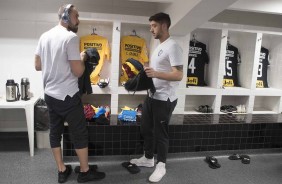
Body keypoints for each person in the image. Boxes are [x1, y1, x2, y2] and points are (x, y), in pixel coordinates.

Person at [34, 4, 105, 183]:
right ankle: (84, 171)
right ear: (66, 16)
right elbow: (78, 72)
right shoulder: (70, 37)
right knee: (79, 133)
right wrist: (83, 57)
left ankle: (62, 169)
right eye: (76, 16)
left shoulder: (44, 36)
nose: (78, 20)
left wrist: (58, 62)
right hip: (67, 96)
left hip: (49, 94)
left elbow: (37, 65)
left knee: (55, 132)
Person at [129, 12, 183, 182]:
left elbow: (179, 75)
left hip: (165, 99)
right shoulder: (159, 46)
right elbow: (157, 72)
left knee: (161, 134)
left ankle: (161, 166)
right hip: (152, 96)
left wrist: (156, 73)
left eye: (154, 25)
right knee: (145, 129)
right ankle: (148, 158)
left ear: (164, 26)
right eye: (150, 25)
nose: (151, 29)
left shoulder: (173, 46)